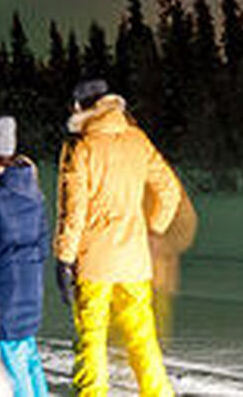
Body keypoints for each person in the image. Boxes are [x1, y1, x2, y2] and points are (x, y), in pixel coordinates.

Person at [54, 80, 184, 397]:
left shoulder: (80, 147)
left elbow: (73, 211)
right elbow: (169, 191)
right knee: (142, 335)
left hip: (94, 261)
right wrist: (151, 229)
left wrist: (64, 257)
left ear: (81, 107)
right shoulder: (137, 139)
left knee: (92, 337)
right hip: (134, 258)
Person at [0, 115, 50, 397]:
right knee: (28, 354)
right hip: (31, 283)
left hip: (5, 288)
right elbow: (43, 243)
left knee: (13, 361)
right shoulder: (33, 189)